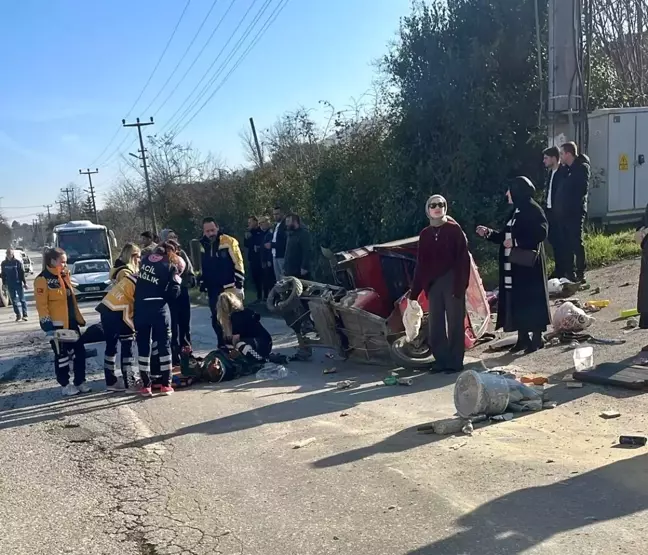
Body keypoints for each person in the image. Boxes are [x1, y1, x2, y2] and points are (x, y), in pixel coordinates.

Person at [476, 177, 551, 354]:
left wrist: (517, 242)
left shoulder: (533, 209)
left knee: (532, 300)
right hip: (513, 266)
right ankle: (523, 338)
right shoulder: (515, 211)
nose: (507, 194)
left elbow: (542, 232)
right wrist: (488, 234)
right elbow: (505, 237)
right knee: (518, 300)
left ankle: (537, 338)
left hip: (528, 266)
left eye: (510, 190)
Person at [409, 195, 470, 373]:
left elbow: (463, 261)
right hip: (434, 284)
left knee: (455, 321)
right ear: (428, 210)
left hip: (453, 281)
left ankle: (455, 361)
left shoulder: (454, 230)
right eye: (433, 205)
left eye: (441, 204)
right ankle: (441, 360)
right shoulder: (425, 234)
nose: (438, 207)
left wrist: (460, 286)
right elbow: (421, 264)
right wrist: (415, 293)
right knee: (435, 322)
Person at [35, 248, 90, 396]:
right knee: (62, 356)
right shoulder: (42, 279)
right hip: (57, 326)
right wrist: (47, 326)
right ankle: (65, 385)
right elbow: (42, 305)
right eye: (62, 261)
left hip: (72, 323)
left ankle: (80, 381)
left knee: (80, 353)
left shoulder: (65, 276)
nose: (65, 264)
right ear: (52, 261)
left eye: (65, 262)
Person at [134, 242, 182, 396]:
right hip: (159, 309)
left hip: (140, 308)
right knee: (163, 344)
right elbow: (175, 291)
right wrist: (165, 296)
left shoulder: (144, 261)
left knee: (143, 346)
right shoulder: (169, 265)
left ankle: (145, 386)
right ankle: (165, 385)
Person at [198, 217, 245, 341]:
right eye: (207, 231)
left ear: (217, 228)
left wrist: (239, 284)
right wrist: (202, 282)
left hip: (230, 287)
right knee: (216, 318)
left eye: (212, 230)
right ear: (203, 231)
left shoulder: (229, 241)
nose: (210, 234)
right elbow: (203, 265)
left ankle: (239, 344)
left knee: (234, 317)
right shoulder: (202, 244)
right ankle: (223, 344)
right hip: (213, 289)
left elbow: (238, 263)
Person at [96, 259, 139, 392]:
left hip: (107, 307)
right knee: (127, 344)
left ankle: (111, 381)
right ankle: (129, 382)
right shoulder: (146, 281)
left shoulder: (134, 275)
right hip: (120, 311)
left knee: (111, 346)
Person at [160, 229, 196, 365]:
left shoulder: (182, 254)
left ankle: (187, 352)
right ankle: (174, 355)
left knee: (185, 324)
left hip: (182, 293)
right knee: (172, 326)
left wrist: (186, 281)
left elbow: (191, 273)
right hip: (168, 297)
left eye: (175, 237)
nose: (173, 240)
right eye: (170, 238)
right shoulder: (160, 255)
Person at [559, 141, 590, 283]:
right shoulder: (566, 170)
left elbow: (581, 191)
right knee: (567, 242)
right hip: (565, 212)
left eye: (562, 153)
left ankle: (580, 272)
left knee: (576, 241)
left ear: (568, 153)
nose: (560, 157)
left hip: (576, 211)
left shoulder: (581, 168)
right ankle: (569, 271)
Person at [215, 289, 272, 362]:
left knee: (239, 344)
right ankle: (254, 358)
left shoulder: (238, 316)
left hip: (262, 342)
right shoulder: (231, 318)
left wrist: (232, 353)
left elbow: (236, 339)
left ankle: (261, 359)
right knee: (235, 345)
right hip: (262, 342)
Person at [542, 146, 568, 279]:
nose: (544, 161)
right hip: (550, 211)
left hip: (560, 212)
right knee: (553, 240)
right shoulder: (550, 173)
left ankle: (564, 269)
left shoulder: (563, 173)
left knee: (562, 242)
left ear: (554, 158)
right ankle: (559, 269)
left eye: (546, 158)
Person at [1, 247, 28, 321]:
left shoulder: (17, 262)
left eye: (10, 253)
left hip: (18, 283)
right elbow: (3, 274)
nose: (9, 255)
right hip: (10, 284)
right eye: (8, 253)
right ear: (6, 254)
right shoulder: (3, 263)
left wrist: (25, 283)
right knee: (14, 301)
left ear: (13, 254)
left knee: (22, 299)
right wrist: (4, 284)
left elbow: (21, 273)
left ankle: (25, 315)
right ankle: (18, 315)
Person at [283, 214, 312, 279]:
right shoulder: (290, 234)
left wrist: (304, 267)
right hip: (289, 270)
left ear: (295, 221)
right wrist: (285, 266)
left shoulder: (304, 234)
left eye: (288, 221)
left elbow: (307, 251)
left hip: (299, 270)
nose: (286, 224)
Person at [244, 216, 265, 302]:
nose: (249, 224)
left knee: (263, 277)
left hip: (260, 258)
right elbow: (246, 245)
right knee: (255, 277)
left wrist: (259, 247)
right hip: (252, 258)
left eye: (250, 222)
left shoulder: (261, 231)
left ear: (256, 222)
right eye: (248, 223)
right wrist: (246, 237)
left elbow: (264, 242)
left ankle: (265, 296)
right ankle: (258, 296)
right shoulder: (250, 232)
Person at [260, 217, 276, 299]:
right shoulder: (263, 233)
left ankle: (271, 297)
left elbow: (269, 248)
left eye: (262, 222)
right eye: (260, 223)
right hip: (264, 259)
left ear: (268, 222)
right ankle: (265, 297)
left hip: (269, 260)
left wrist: (269, 259)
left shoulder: (270, 233)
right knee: (265, 279)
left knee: (270, 280)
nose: (261, 225)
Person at [271, 206, 287, 280]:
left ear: (282, 214)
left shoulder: (285, 225)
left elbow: (285, 242)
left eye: (277, 214)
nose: (275, 216)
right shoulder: (276, 225)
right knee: (278, 278)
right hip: (275, 254)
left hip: (282, 255)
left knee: (284, 277)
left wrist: (272, 245)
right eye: (274, 214)